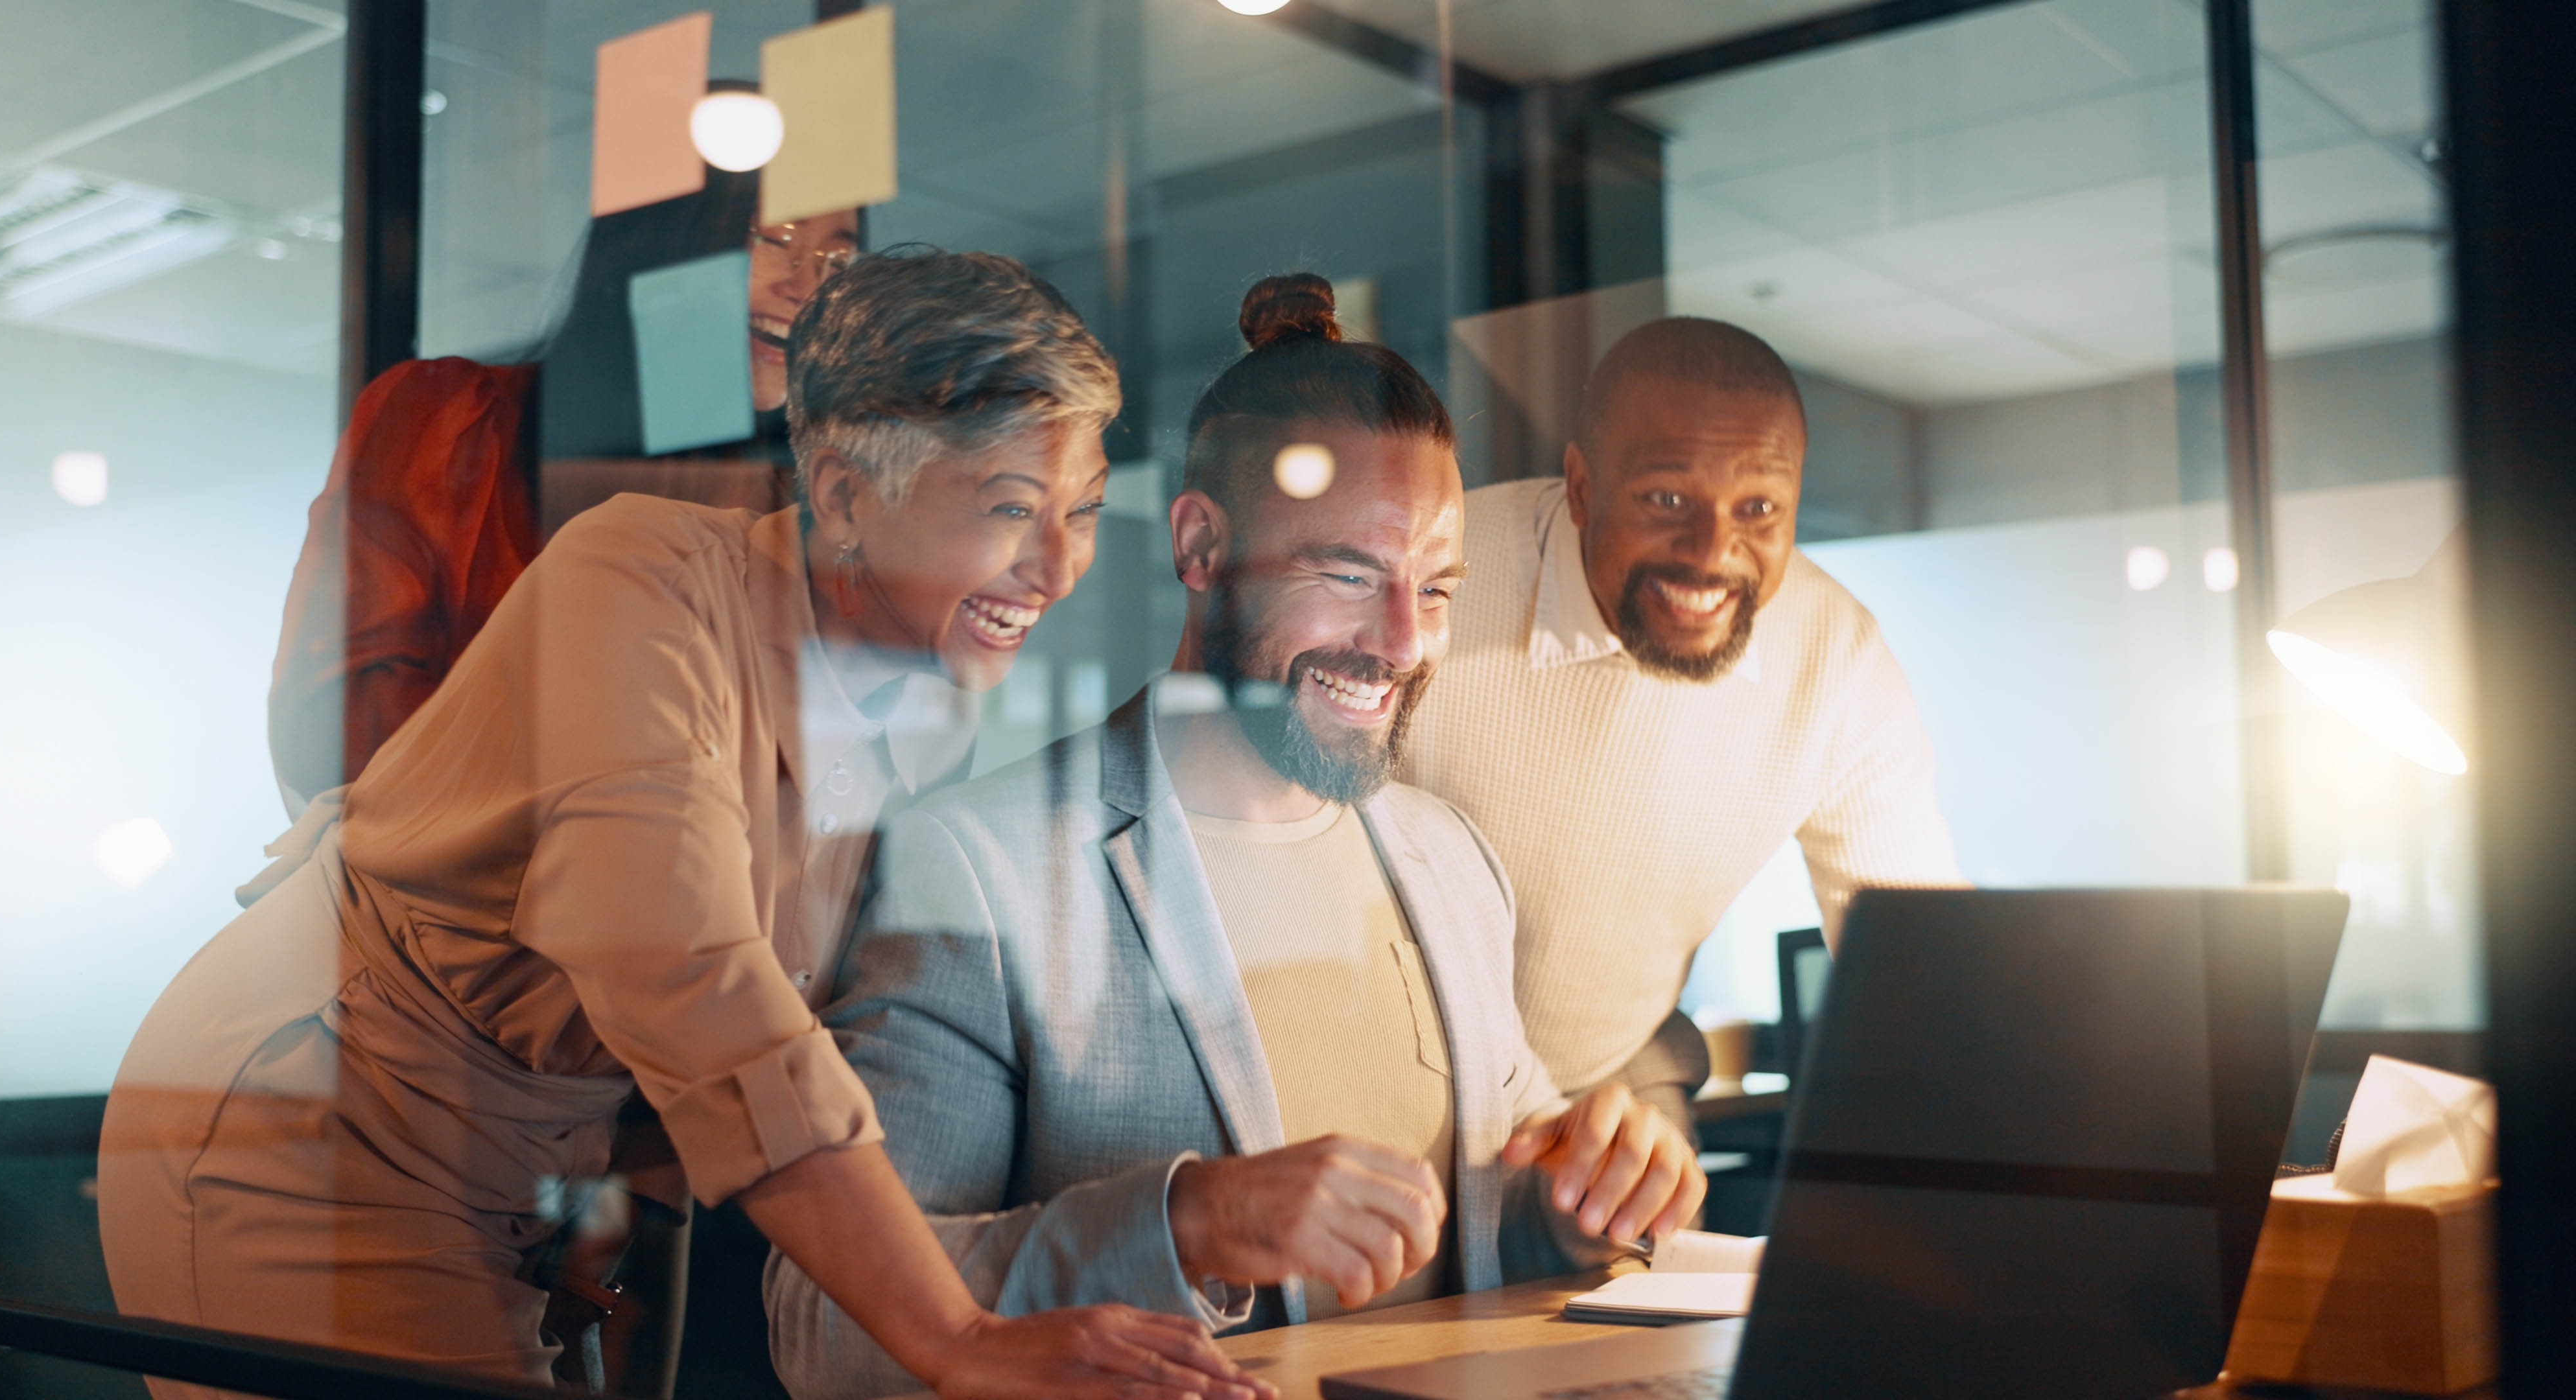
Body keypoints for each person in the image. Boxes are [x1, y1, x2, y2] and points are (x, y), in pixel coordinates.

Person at [96, 250, 1262, 1400]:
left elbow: (744, 1022)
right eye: (1011, 507)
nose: (1056, 567)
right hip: (318, 1120)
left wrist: (615, 1225)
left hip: (534, 1175)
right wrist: (955, 1335)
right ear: (847, 496)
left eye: (1084, 511)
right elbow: (692, 983)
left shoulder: (928, 706)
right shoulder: (636, 582)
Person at [764, 275, 1705, 1400]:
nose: (1403, 641)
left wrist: (1587, 1195)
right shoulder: (979, 863)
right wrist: (1187, 1222)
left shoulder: (1449, 857)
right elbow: (824, 1327)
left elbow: (1479, 1239)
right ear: (1201, 545)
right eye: (1347, 573)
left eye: (1438, 586)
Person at [1397, 317, 1964, 1125]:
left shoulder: (1835, 658)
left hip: (1602, 1087)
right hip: (1375, 1075)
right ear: (1582, 488)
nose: (1712, 551)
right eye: (1667, 499)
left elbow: (1921, 970)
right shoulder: (1428, 586)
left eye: (1759, 508)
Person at [269, 136, 861, 815]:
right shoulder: (452, 421)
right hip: (469, 899)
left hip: (681, 908)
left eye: (837, 259)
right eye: (773, 236)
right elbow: (338, 717)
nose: (808, 285)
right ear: (666, 241)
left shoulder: (795, 511)